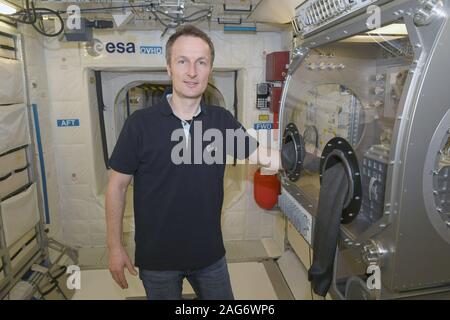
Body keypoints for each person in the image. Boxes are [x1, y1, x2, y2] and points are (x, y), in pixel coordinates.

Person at [105, 25, 279, 300]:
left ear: (210, 69)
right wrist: (114, 247)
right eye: (182, 61)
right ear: (169, 68)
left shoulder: (220, 121)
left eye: (201, 62)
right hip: (157, 259)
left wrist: (311, 158)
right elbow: (116, 188)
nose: (192, 71)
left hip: (209, 256)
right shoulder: (140, 124)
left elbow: (264, 156)